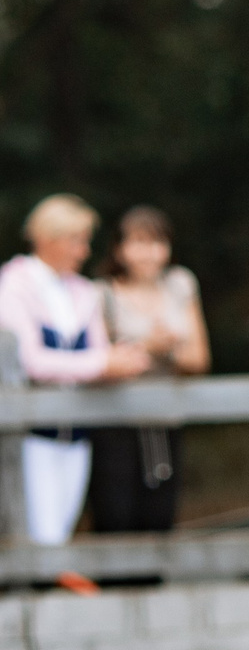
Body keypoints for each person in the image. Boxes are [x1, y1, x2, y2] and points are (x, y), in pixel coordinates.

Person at [0, 195, 150, 544]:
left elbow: (97, 353)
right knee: (39, 535)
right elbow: (30, 360)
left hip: (77, 434)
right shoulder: (14, 284)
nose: (83, 251)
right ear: (47, 238)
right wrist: (102, 364)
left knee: (62, 531)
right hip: (33, 435)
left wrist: (123, 361)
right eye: (75, 240)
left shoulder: (83, 292)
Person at [90, 206, 211, 534]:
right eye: (139, 242)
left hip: (165, 418)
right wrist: (148, 347)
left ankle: (152, 585)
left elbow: (199, 359)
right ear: (119, 248)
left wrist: (167, 349)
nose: (149, 253)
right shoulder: (101, 293)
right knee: (115, 515)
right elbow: (97, 361)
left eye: (157, 242)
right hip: (117, 421)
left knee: (159, 516)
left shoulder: (180, 284)